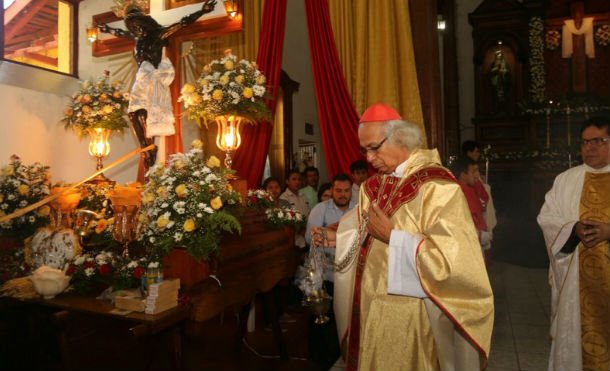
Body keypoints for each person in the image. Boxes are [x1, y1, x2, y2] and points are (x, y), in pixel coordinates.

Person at [313, 103, 494, 370]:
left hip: (411, 313)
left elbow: (456, 262)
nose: (369, 158)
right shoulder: (373, 186)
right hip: (369, 305)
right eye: (364, 151)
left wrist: (394, 237)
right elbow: (362, 228)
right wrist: (339, 237)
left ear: (401, 137)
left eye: (374, 148)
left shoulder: (438, 187)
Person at [97, 0, 217, 169]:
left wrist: (202, 11)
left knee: (145, 114)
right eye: (131, 26)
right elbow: (119, 32)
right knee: (133, 115)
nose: (135, 29)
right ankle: (147, 149)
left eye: (137, 24)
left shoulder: (159, 34)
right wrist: (107, 29)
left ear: (145, 22)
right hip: (142, 79)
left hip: (154, 78)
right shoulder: (136, 37)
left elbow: (182, 22)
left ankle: (149, 150)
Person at [537, 117, 610, 371]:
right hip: (579, 281)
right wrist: (573, 229)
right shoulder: (566, 180)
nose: (590, 147)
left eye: (599, 141)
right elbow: (547, 218)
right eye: (585, 142)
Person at [451, 158, 492, 262]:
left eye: (477, 171)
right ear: (462, 175)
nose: (477, 174)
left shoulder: (470, 187)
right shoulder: (459, 191)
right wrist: (481, 234)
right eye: (473, 171)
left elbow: (483, 202)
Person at [280, 170, 310, 248]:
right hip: (295, 241)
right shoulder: (283, 198)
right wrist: (301, 230)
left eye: (299, 179)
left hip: (307, 238)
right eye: (294, 179)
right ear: (287, 181)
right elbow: (288, 221)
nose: (297, 182)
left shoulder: (303, 196)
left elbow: (308, 213)